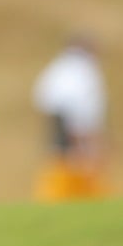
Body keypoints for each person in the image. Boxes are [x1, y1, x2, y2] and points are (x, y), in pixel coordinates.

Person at [31, 33, 110, 201]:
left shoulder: (60, 66)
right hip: (72, 126)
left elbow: (42, 95)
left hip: (60, 123)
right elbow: (81, 108)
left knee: (62, 165)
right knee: (77, 168)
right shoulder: (82, 69)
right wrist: (84, 140)